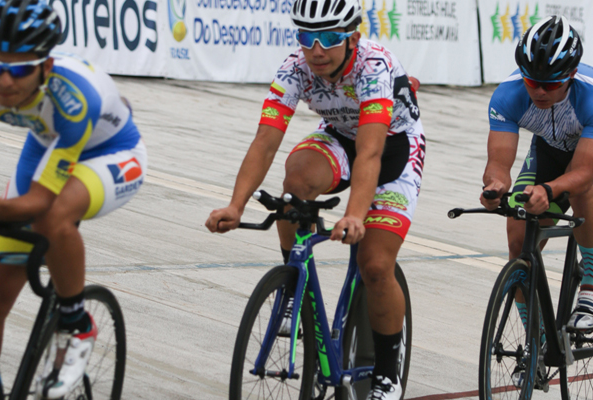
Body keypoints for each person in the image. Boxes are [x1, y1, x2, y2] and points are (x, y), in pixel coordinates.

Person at [0, 0, 146, 398]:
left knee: (52, 219)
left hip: (111, 152)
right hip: (47, 144)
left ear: (45, 68)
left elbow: (38, 202)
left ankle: (75, 321)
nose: (4, 82)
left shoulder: (73, 97)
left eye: (18, 70)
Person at [205, 0, 426, 397]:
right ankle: (293, 285)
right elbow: (265, 141)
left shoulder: (374, 66)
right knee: (297, 181)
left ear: (352, 37)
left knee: (374, 264)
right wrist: (235, 205)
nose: (317, 49)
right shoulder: (294, 67)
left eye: (328, 38)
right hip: (341, 137)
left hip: (393, 150)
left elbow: (371, 152)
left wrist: (356, 214)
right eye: (307, 37)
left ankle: (388, 373)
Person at [479, 15, 592, 385]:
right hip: (550, 151)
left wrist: (550, 190)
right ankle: (537, 344)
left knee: (582, 192)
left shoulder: (590, 95)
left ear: (571, 75)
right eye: (532, 81)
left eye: (550, 84)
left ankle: (590, 288)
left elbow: (584, 171)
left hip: (587, 158)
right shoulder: (508, 95)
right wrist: (495, 188)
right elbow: (498, 164)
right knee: (518, 234)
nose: (539, 91)